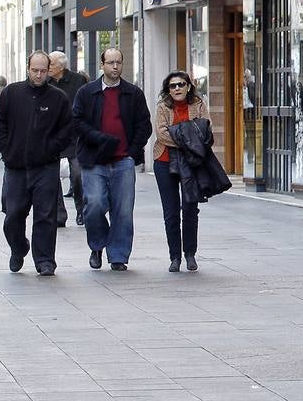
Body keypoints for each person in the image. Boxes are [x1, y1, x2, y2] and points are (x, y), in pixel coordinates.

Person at [0, 51, 74, 276]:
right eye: (35, 70)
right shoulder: (11, 93)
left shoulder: (58, 98)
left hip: (45, 167)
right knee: (14, 214)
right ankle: (18, 248)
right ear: (28, 68)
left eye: (43, 71)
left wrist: (51, 149)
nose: (39, 75)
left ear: (50, 70)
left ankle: (45, 260)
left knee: (45, 215)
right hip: (16, 166)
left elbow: (67, 129)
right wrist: (7, 150)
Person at [72, 48, 152, 272]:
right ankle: (97, 245)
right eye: (110, 62)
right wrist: (98, 139)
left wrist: (132, 151)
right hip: (94, 159)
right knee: (95, 204)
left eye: (118, 62)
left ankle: (118, 255)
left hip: (123, 161)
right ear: (102, 64)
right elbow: (77, 121)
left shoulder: (133, 93)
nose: (115, 67)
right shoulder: (87, 92)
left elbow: (144, 125)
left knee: (123, 210)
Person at [153, 71, 210, 273]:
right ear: (168, 89)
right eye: (172, 86)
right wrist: (188, 138)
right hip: (164, 161)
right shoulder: (162, 107)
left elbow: (204, 131)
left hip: (191, 163)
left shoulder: (199, 105)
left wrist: (179, 133)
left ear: (188, 86)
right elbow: (162, 135)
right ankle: (174, 257)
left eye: (180, 84)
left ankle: (190, 254)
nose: (176, 88)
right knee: (171, 212)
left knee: (190, 209)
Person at [49, 51, 90, 225]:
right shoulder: (46, 82)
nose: (48, 67)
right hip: (52, 134)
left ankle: (81, 210)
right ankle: (59, 214)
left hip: (75, 136)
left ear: (61, 66)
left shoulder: (77, 81)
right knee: (51, 176)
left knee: (78, 174)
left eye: (51, 64)